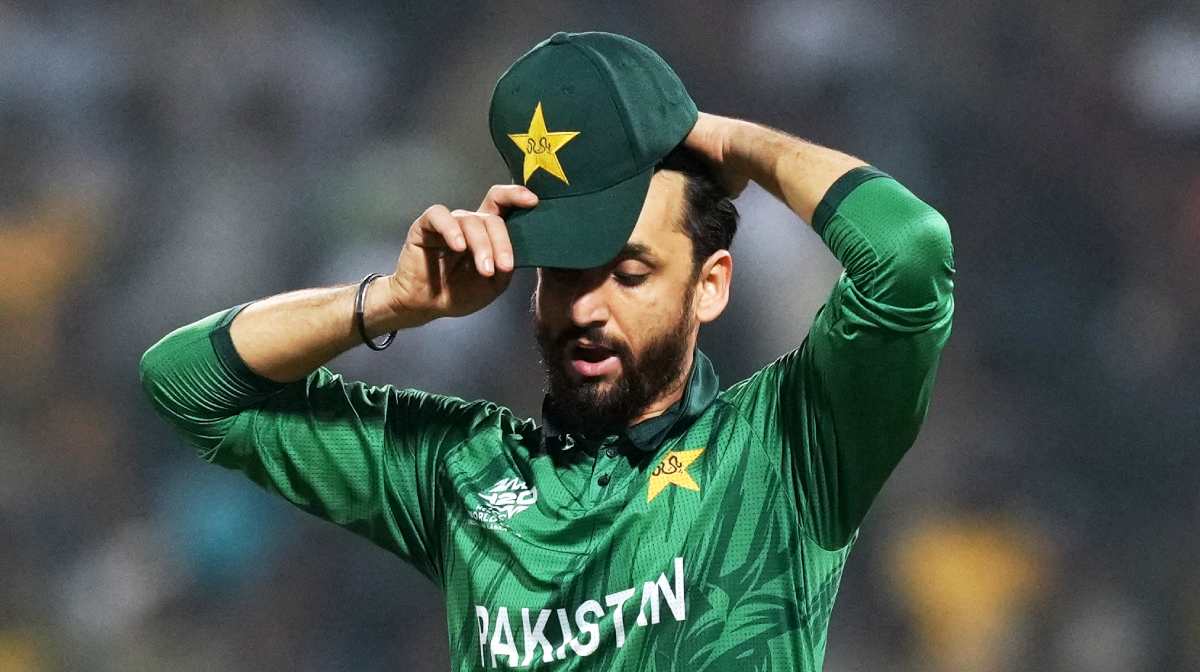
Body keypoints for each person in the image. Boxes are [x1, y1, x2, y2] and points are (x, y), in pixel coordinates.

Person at [140, 31, 954, 671]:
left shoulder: (784, 448)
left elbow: (910, 253)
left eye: (630, 273)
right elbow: (186, 385)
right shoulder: (460, 474)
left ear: (709, 286)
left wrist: (715, 137)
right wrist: (387, 302)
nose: (588, 308)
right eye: (564, 273)